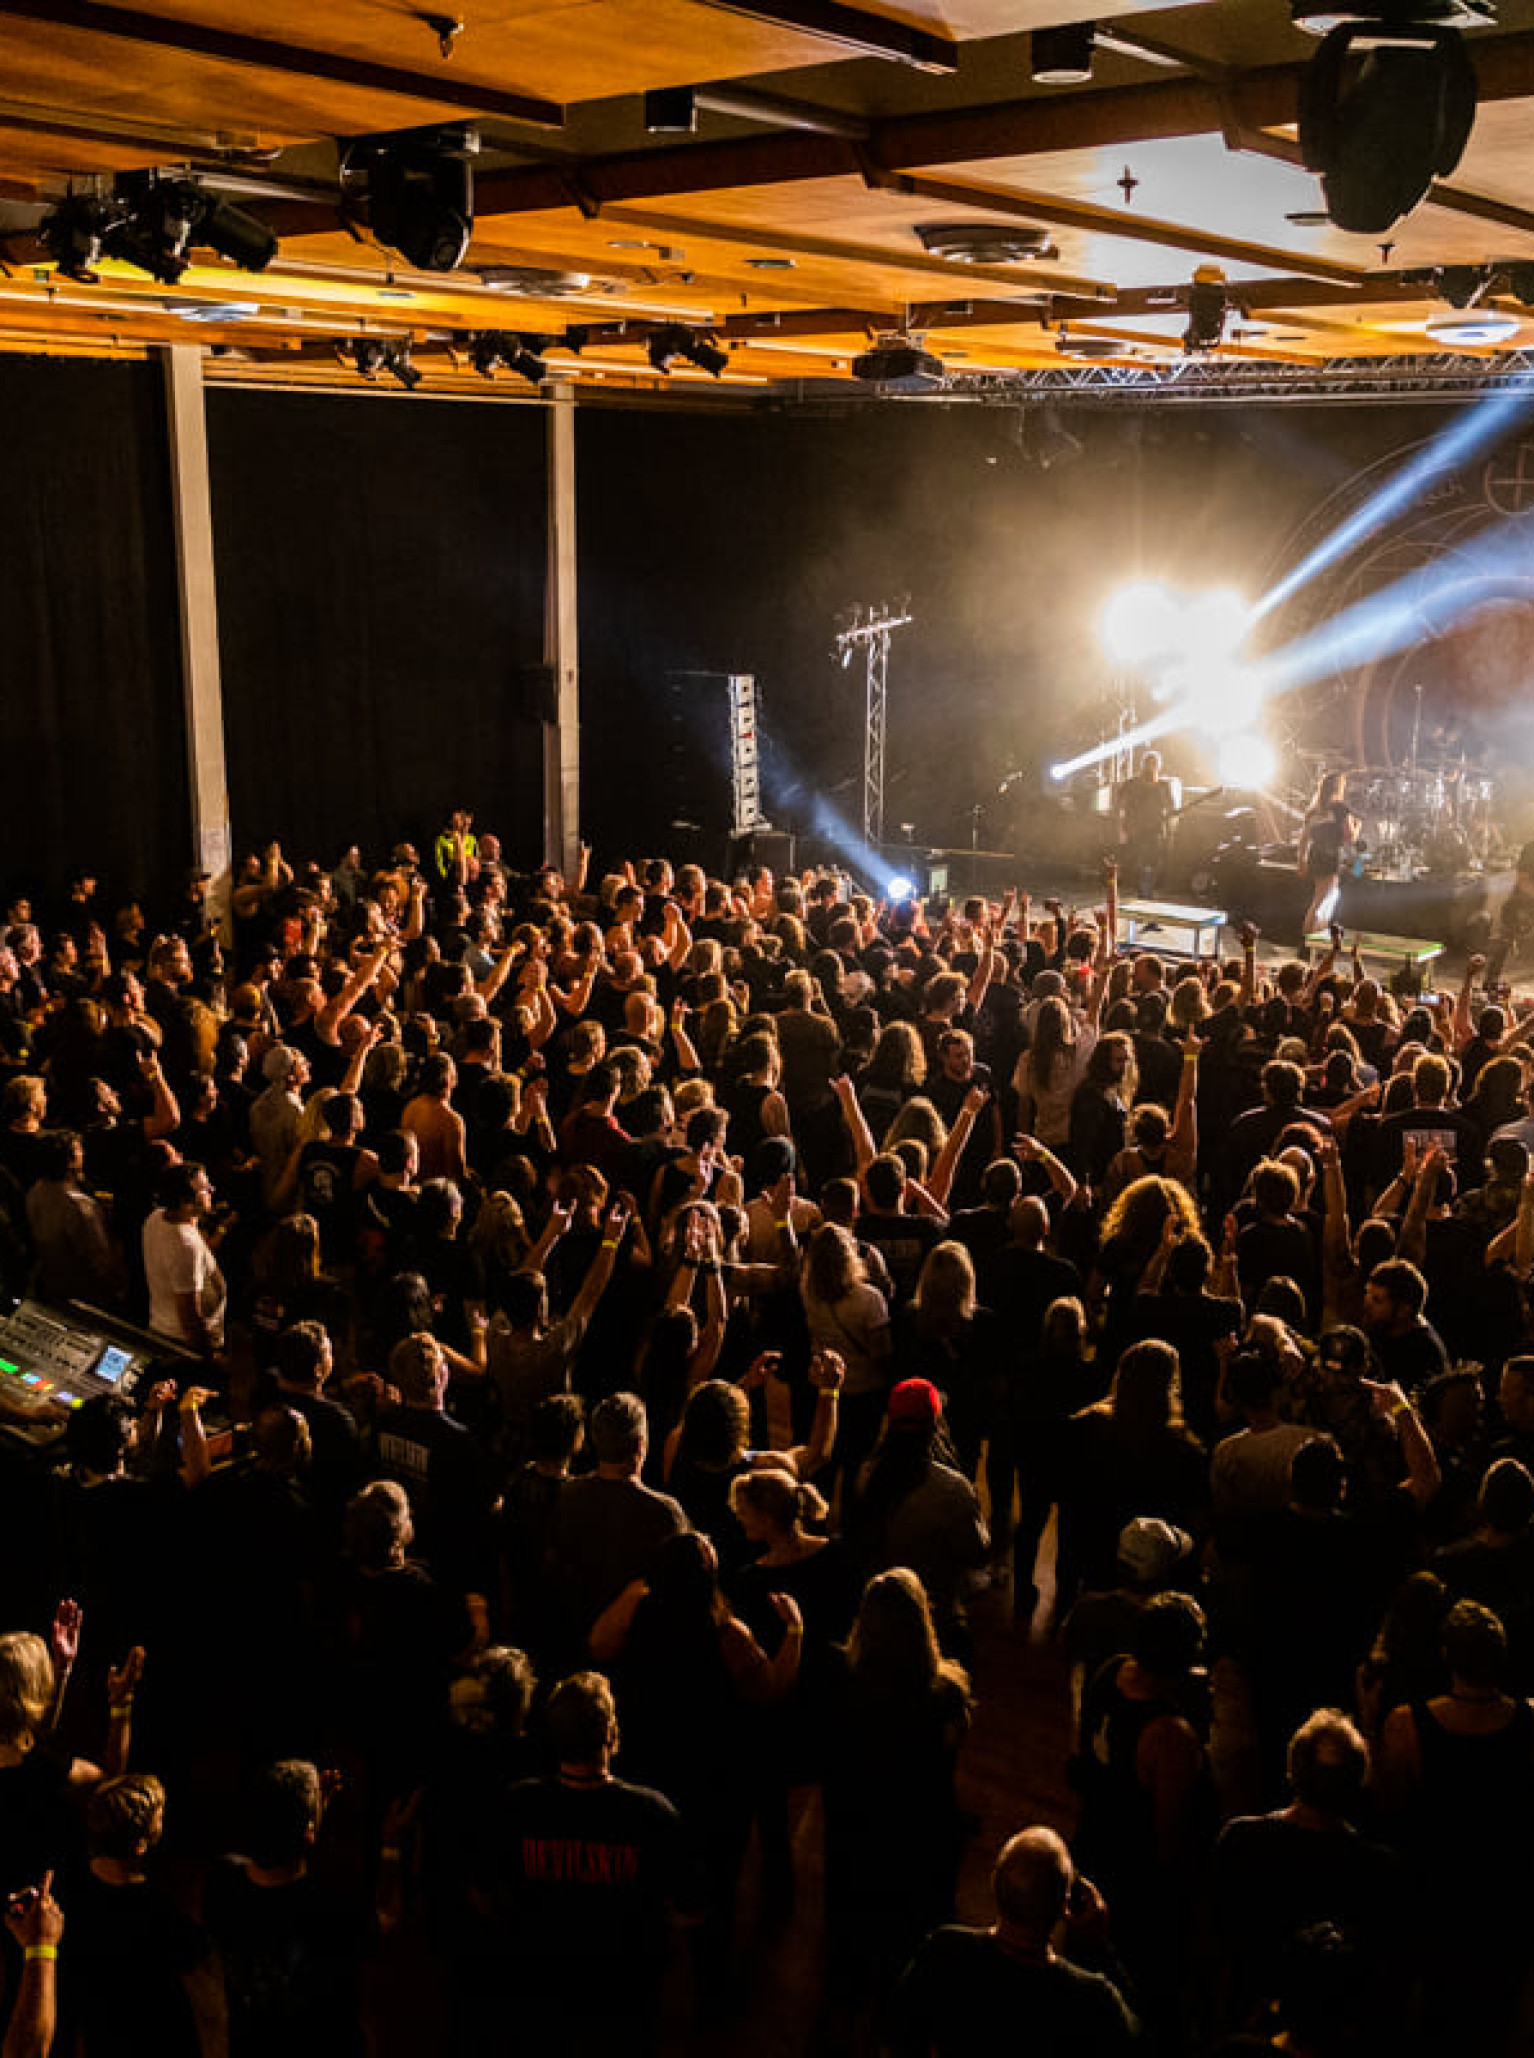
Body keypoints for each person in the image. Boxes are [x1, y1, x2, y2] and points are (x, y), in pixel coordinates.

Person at [493, 1670, 698, 2057]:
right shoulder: (652, 1814)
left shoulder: (516, 1807)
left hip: (537, 1998)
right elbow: (689, 1910)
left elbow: (486, 1892)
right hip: (624, 2002)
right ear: (610, 1733)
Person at [889, 1825, 1138, 2057]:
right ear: (1065, 1906)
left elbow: (898, 2035)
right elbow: (1141, 2042)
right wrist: (1100, 1948)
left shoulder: (945, 1953)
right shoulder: (1091, 2002)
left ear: (994, 1882)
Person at [1298, 770, 1360, 938]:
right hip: (1331, 856)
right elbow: (1349, 837)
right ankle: (1310, 941)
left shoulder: (1313, 811)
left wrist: (1301, 861)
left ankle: (1312, 939)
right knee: (1322, 902)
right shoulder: (1340, 808)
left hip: (1316, 855)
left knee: (1320, 900)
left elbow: (1304, 839)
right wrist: (1357, 826)